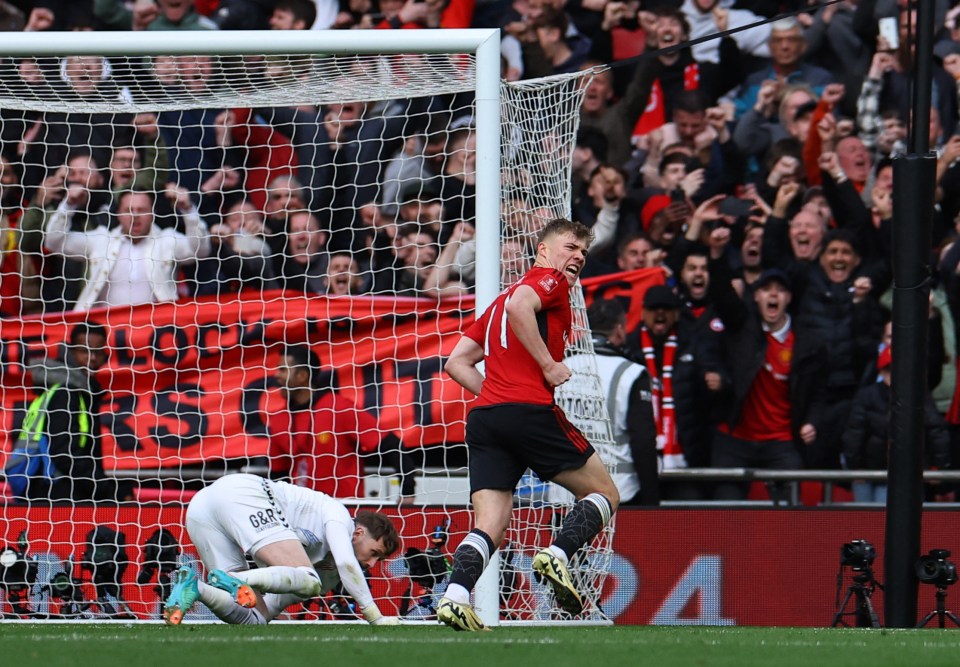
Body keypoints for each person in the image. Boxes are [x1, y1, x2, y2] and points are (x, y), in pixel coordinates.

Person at [440, 218, 620, 631]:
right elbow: (524, 303)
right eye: (570, 246)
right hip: (529, 410)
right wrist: (547, 365)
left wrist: (495, 395)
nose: (577, 257)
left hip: (487, 418)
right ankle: (556, 554)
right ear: (542, 249)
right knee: (605, 492)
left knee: (490, 525)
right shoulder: (547, 282)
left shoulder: (496, 303)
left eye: (583, 253)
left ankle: (454, 596)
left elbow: (456, 362)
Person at [162, 473, 401, 625]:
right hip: (241, 491)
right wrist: (374, 616)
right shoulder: (340, 516)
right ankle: (233, 578)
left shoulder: (326, 576)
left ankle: (197, 587)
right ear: (358, 533)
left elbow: (272, 606)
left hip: (202, 509)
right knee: (309, 578)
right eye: (374, 553)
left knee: (254, 619)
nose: (371, 565)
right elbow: (346, 563)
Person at [5, 323, 131, 501]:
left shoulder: (73, 390)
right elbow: (66, 456)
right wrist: (107, 491)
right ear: (70, 351)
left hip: (50, 490)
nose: (92, 358)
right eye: (85, 350)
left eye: (98, 352)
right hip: (56, 495)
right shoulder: (67, 393)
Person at [43, 186, 210, 312]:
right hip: (105, 334)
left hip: (156, 332)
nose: (135, 216)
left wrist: (188, 210)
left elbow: (201, 251)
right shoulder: (101, 240)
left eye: (142, 210)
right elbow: (54, 243)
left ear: (153, 213)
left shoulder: (166, 240)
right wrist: (68, 206)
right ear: (118, 214)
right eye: (128, 210)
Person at [568, 299, 659, 505]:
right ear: (619, 330)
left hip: (563, 494)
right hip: (617, 493)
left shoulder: (558, 367)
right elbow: (643, 442)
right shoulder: (632, 373)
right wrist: (652, 500)